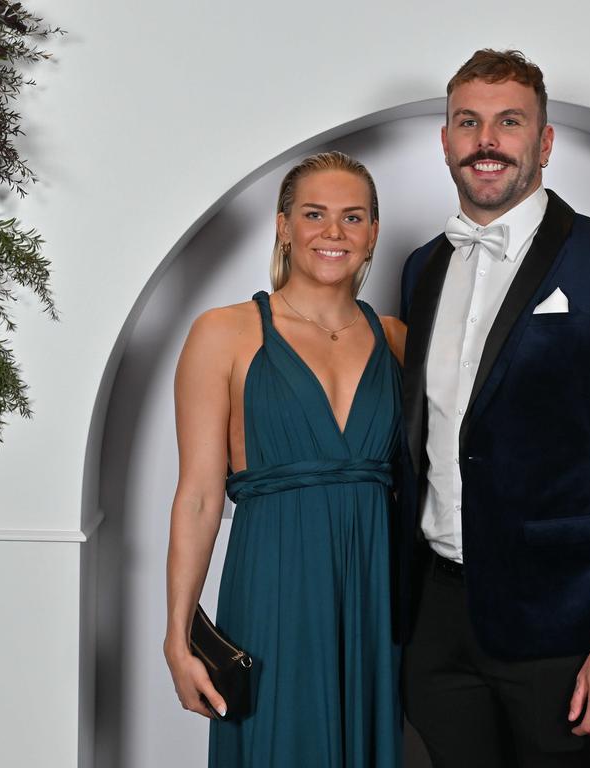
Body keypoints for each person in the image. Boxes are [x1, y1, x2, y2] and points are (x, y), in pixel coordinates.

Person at [397, 50, 590, 768]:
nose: (486, 140)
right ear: (447, 141)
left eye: (509, 122)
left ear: (544, 142)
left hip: (561, 626)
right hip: (434, 617)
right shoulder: (422, 265)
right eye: (469, 122)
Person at [164, 151, 406, 768]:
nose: (333, 232)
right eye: (314, 214)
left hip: (374, 592)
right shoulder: (224, 332)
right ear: (282, 225)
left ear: (374, 232)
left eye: (353, 217)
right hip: (273, 582)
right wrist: (178, 632)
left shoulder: (398, 340)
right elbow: (196, 495)